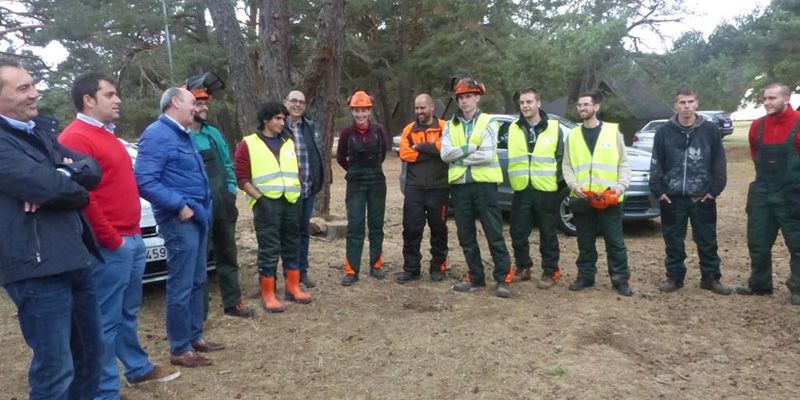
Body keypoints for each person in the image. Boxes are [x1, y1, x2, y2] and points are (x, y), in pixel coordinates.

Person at [59, 73, 181, 398]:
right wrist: (111, 239)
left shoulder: (108, 136)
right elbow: (84, 198)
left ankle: (137, 368)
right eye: (110, 94)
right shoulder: (76, 138)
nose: (118, 100)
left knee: (127, 312)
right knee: (103, 321)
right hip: (110, 245)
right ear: (89, 99)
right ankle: (104, 390)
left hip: (132, 238)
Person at [0, 58, 103, 399]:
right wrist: (60, 180)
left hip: (74, 258)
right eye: (23, 88)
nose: (35, 94)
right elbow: (45, 187)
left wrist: (63, 176)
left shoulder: (40, 132)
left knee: (89, 357)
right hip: (37, 270)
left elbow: (92, 170)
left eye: (33, 85)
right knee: (56, 369)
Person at [135, 87, 224, 368]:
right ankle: (180, 348)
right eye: (191, 102)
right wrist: (179, 206)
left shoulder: (182, 134)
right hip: (179, 220)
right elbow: (145, 181)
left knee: (198, 280)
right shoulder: (157, 134)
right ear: (175, 102)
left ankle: (195, 337)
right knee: (182, 284)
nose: (196, 108)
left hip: (197, 217)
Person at [649, 89, 731, 295]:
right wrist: (658, 190)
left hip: (701, 196)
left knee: (707, 240)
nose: (686, 106)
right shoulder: (664, 131)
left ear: (697, 103)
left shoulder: (710, 130)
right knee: (673, 240)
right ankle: (674, 277)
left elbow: (719, 162)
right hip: (672, 197)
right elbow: (656, 162)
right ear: (675, 105)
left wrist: (714, 190)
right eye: (682, 102)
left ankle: (710, 278)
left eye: (690, 101)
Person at [234, 102, 312, 312]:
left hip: (290, 202)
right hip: (266, 204)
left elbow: (295, 171)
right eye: (277, 118)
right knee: (269, 249)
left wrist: (297, 189)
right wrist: (260, 199)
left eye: (283, 119)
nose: (281, 122)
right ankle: (268, 293)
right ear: (265, 120)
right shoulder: (248, 143)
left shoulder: (287, 142)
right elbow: (241, 177)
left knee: (292, 245)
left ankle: (292, 287)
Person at [440, 78, 513, 298]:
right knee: (466, 234)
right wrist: (472, 147)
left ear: (477, 97)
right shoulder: (451, 125)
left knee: (494, 232)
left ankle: (503, 279)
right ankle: (476, 276)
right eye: (460, 98)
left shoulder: (489, 122)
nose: (464, 101)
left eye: (468, 96)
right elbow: (444, 154)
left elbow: (487, 154)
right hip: (461, 188)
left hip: (485, 186)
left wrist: (459, 157)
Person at [187, 83, 253, 318]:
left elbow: (227, 164)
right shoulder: (182, 135)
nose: (203, 107)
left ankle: (232, 302)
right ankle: (199, 311)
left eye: (205, 103)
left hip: (223, 204)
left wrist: (231, 189)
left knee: (227, 253)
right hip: (197, 208)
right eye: (198, 103)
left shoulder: (213, 133)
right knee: (199, 261)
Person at [562, 91, 634, 296]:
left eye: (586, 104)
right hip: (583, 199)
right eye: (579, 105)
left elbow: (624, 163)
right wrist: (574, 185)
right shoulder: (573, 135)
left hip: (609, 198)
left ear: (596, 107)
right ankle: (585, 277)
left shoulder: (613, 132)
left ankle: (620, 279)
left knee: (615, 242)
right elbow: (567, 166)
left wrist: (620, 186)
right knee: (585, 242)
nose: (582, 108)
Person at [737, 83, 800, 305]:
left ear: (786, 99)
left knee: (797, 244)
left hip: (792, 194)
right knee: (758, 241)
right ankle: (760, 284)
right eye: (765, 99)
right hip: (763, 191)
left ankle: (798, 288)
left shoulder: (798, 123)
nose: (766, 103)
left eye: (772, 98)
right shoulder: (757, 126)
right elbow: (756, 154)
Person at [507, 88, 563, 289]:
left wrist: (554, 180)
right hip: (521, 188)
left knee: (548, 233)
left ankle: (550, 271)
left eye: (529, 102)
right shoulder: (514, 128)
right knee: (517, 231)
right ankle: (523, 268)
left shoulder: (553, 127)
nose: (525, 106)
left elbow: (560, 158)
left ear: (538, 103)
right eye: (522, 102)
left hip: (545, 189)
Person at [336, 90, 392, 286]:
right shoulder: (346, 134)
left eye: (363, 110)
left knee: (376, 226)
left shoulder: (379, 130)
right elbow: (341, 158)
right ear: (351, 111)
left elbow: (383, 154)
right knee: (355, 226)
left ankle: (376, 266)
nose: (360, 114)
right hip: (355, 185)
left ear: (369, 110)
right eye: (356, 110)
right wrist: (355, 170)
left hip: (377, 182)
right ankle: (352, 270)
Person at [395, 94, 449, 284]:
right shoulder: (408, 130)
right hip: (414, 188)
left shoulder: (444, 127)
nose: (419, 112)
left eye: (422, 108)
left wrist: (420, 147)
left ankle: (438, 267)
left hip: (439, 187)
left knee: (439, 229)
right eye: (417, 108)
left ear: (432, 107)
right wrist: (431, 152)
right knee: (411, 229)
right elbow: (405, 153)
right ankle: (411, 269)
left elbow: (446, 149)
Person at [283, 90, 327, 288]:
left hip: (307, 190)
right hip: (286, 192)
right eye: (294, 101)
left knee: (303, 232)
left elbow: (319, 154)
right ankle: (289, 273)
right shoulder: (279, 127)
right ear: (286, 103)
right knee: (288, 233)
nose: (297, 105)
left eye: (301, 102)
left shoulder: (310, 127)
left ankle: (302, 272)